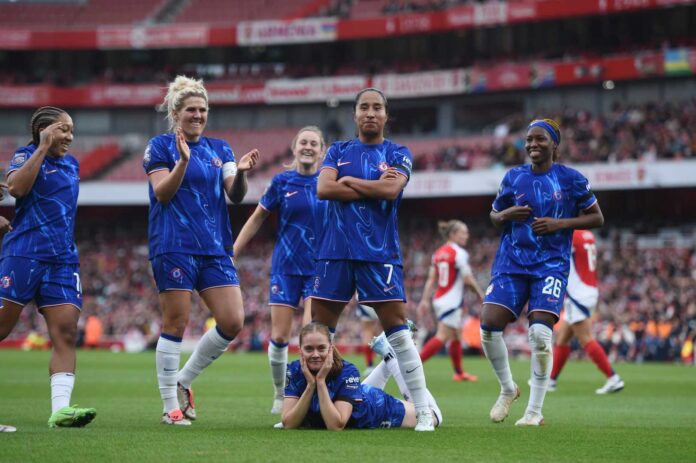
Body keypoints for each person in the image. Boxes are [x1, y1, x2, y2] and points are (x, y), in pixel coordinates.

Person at [310, 87, 435, 431]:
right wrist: (369, 183)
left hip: (379, 254)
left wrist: (348, 181)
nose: (370, 113)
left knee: (398, 331)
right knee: (318, 334)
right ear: (354, 114)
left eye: (376, 107)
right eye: (363, 107)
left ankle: (422, 409)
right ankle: (312, 406)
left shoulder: (398, 152)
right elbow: (324, 189)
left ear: (385, 115)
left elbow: (391, 190)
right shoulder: (338, 150)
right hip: (334, 252)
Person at [144, 76, 259, 425]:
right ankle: (169, 407)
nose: (198, 115)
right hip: (173, 243)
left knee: (232, 320)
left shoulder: (220, 148)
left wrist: (239, 173)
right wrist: (182, 161)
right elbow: (162, 193)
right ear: (175, 112)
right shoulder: (160, 147)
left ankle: (183, 379)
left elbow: (235, 194)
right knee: (176, 321)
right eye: (191, 109)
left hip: (213, 247)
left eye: (203, 109)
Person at [480, 118, 604, 426]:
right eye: (529, 139)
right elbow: (495, 216)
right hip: (511, 262)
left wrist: (560, 224)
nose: (533, 144)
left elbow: (597, 217)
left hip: (550, 264)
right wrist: (505, 214)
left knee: (539, 335)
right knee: (488, 324)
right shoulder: (512, 177)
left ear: (554, 145)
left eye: (541, 139)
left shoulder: (571, 179)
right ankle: (508, 388)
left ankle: (534, 411)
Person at [0, 106, 96, 428]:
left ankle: (60, 411)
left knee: (66, 333)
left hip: (62, 260)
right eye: (63, 130)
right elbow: (15, 189)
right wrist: (41, 148)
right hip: (24, 254)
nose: (70, 136)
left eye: (71, 130)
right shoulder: (25, 155)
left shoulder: (72, 164)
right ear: (44, 131)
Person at [233, 126, 326, 415]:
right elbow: (257, 217)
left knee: (311, 335)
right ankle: (279, 392)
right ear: (294, 148)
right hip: (285, 267)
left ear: (322, 151)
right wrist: (232, 252)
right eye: (303, 142)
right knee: (280, 336)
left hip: (318, 269)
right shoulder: (282, 182)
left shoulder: (329, 183)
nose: (308, 147)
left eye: (314, 143)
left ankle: (309, 395)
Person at [281, 322, 441, 430]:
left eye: (321, 348)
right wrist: (310, 386)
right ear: (300, 350)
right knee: (358, 393)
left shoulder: (347, 371)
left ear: (330, 349)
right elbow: (288, 423)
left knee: (435, 415)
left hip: (377, 409)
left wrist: (320, 382)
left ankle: (391, 355)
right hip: (357, 396)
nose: (315, 354)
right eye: (309, 349)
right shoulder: (294, 370)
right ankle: (387, 351)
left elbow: (335, 425)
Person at [548, 229, 624, 394]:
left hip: (577, 293)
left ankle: (613, 378)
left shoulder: (570, 234)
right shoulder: (587, 234)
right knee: (562, 338)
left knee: (586, 339)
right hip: (587, 289)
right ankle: (551, 380)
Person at [417, 220, 484, 381]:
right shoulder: (459, 253)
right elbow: (468, 280)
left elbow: (431, 279)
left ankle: (459, 373)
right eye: (463, 232)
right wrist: (482, 295)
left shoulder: (438, 253)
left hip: (439, 298)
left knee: (455, 335)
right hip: (451, 301)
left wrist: (425, 300)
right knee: (442, 336)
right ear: (453, 234)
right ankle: (412, 366)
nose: (466, 236)